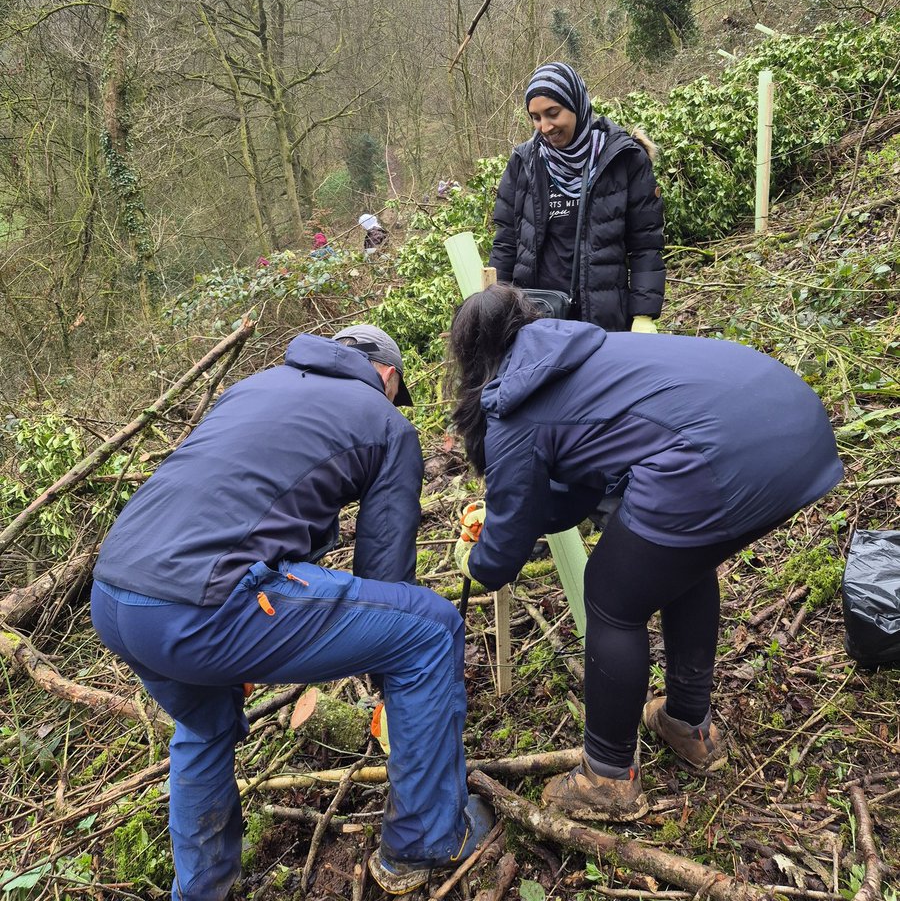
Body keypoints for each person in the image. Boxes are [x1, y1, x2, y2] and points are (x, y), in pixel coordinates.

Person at [91, 323, 492, 900]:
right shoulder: (386, 422)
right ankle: (426, 841)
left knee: (203, 725)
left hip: (114, 597)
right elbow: (384, 569)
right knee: (430, 630)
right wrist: (392, 679)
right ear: (387, 375)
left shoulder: (254, 387)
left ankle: (200, 891)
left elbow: (241, 506)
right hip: (207, 605)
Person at [448, 284, 843, 822]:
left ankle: (608, 777)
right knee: (684, 560)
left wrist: (475, 558)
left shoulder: (512, 409)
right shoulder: (580, 354)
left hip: (721, 453)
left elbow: (504, 550)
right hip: (794, 425)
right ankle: (688, 723)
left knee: (612, 597)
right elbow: (578, 490)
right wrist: (525, 515)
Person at [489, 61, 665, 332]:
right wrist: (493, 307)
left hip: (603, 320)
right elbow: (506, 243)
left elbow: (645, 243)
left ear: (577, 104)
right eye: (536, 118)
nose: (545, 127)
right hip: (537, 320)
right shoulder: (524, 162)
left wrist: (644, 314)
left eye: (553, 113)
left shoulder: (623, 159)